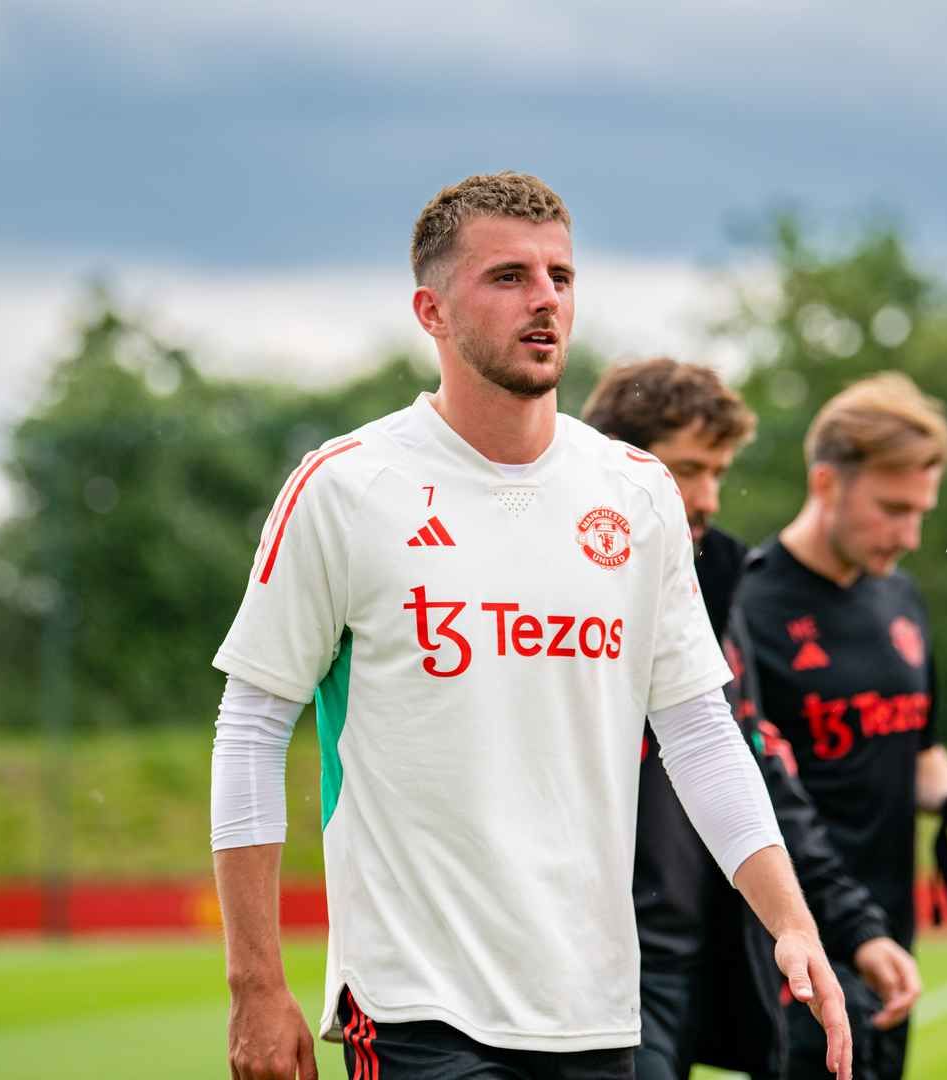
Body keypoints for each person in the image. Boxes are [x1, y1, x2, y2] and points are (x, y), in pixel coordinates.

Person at [208, 173, 852, 1080]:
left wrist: (790, 920)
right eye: (508, 276)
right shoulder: (347, 486)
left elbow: (702, 734)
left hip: (591, 1006)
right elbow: (250, 730)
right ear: (431, 311)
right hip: (412, 1005)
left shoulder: (636, 493)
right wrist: (255, 983)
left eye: (561, 275)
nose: (545, 297)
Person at [582, 359, 920, 1079]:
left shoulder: (712, 581)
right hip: (588, 958)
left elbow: (757, 765)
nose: (707, 497)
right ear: (615, 461)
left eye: (718, 471)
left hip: (694, 954)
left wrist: (851, 928)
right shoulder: (549, 590)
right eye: (688, 469)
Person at [730, 372, 947, 1080]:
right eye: (893, 510)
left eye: (921, 511)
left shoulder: (901, 599)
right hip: (795, 945)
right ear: (826, 484)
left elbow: (917, 747)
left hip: (892, 932)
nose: (912, 535)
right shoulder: (750, 601)